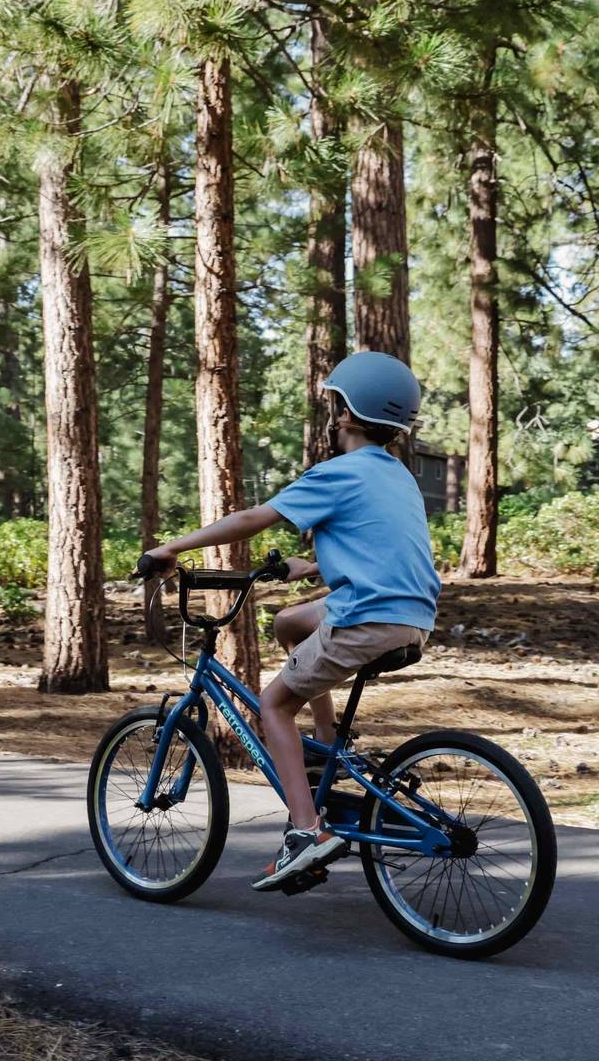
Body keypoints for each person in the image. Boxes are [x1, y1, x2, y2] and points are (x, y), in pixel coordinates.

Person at [145, 351, 440, 890]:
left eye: (336, 406)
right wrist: (313, 565)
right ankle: (330, 746)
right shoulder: (396, 477)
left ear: (347, 415)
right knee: (290, 623)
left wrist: (172, 548)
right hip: (410, 615)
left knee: (275, 706)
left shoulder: (338, 471)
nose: (332, 415)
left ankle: (308, 832)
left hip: (365, 617)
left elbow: (253, 518)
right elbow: (383, 547)